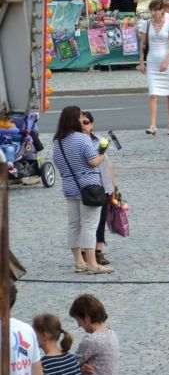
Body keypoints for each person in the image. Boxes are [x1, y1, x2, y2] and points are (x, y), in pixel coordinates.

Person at [50, 105, 109, 275]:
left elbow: (58, 164)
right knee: (89, 225)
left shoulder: (58, 142)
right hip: (88, 187)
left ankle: (79, 262)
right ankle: (93, 264)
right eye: (80, 117)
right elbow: (93, 161)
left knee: (73, 225)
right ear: (74, 120)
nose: (82, 120)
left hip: (69, 188)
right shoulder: (83, 139)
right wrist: (103, 153)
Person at [80, 111, 116, 270]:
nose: (83, 125)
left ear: (92, 124)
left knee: (101, 220)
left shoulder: (100, 141)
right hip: (87, 186)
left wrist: (114, 186)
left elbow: (108, 165)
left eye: (86, 122)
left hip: (103, 186)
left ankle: (98, 251)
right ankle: (84, 252)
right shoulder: (77, 142)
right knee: (85, 221)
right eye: (80, 123)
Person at [138, 0, 169, 135]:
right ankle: (153, 125)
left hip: (166, 61)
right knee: (153, 94)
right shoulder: (146, 24)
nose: (153, 13)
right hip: (152, 62)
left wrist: (167, 61)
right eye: (152, 10)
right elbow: (143, 45)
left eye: (156, 10)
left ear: (162, 10)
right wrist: (141, 62)